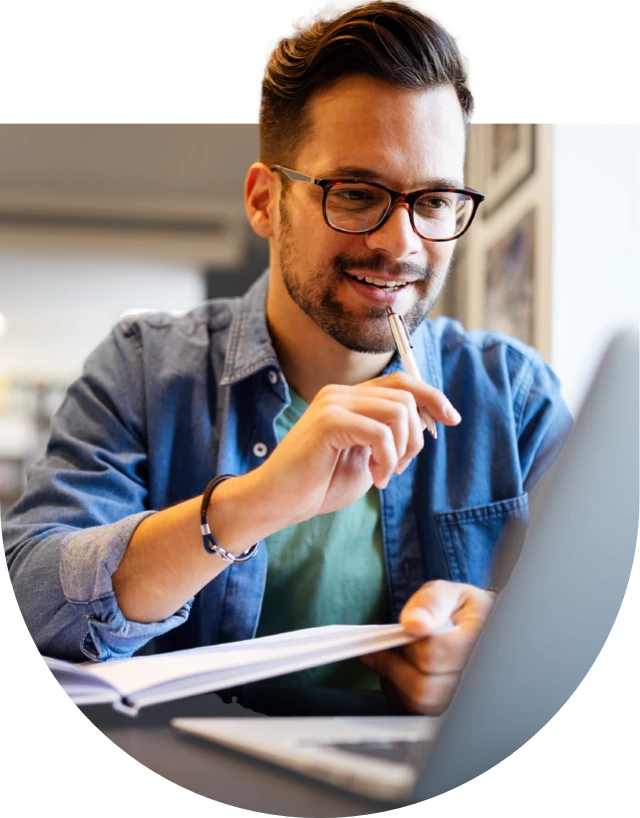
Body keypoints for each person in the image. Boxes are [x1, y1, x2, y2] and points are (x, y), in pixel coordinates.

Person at [3, 0, 572, 716]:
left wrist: (502, 660)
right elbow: (26, 606)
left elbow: (606, 648)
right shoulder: (143, 370)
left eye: (433, 201)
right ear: (265, 201)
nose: (401, 244)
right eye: (356, 193)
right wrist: (251, 504)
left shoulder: (516, 398)